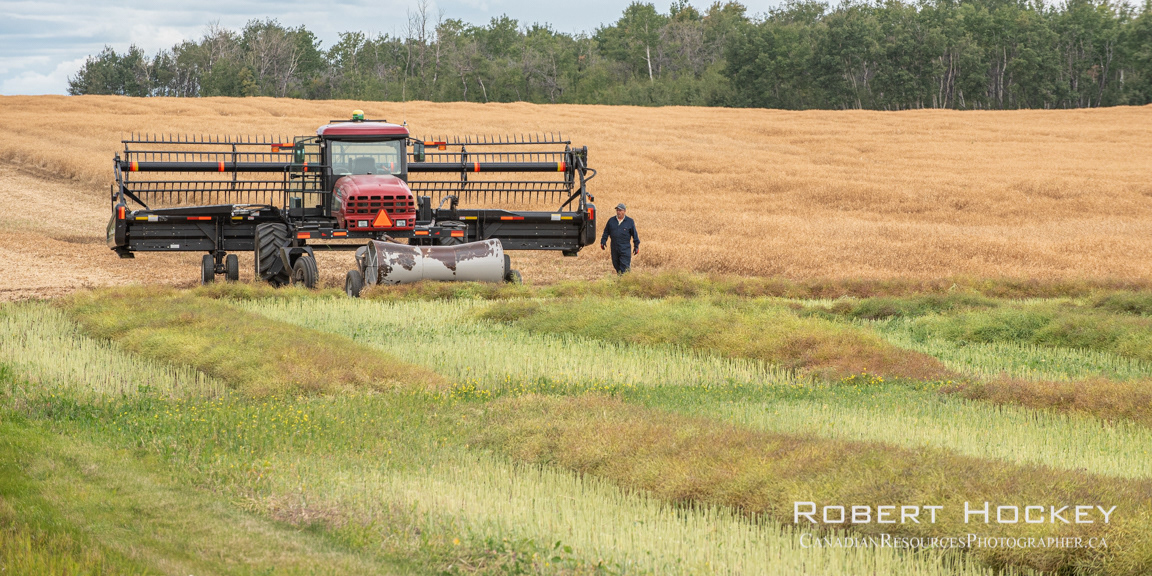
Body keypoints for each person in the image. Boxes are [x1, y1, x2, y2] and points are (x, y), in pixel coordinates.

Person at [600, 203, 640, 274]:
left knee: (624, 267)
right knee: (616, 265)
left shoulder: (630, 221)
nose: (618, 212)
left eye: (620, 210)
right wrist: (603, 241)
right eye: (617, 210)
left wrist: (636, 246)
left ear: (624, 211)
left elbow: (635, 234)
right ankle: (621, 280)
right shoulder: (611, 221)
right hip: (614, 247)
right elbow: (606, 232)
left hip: (625, 248)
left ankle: (626, 281)